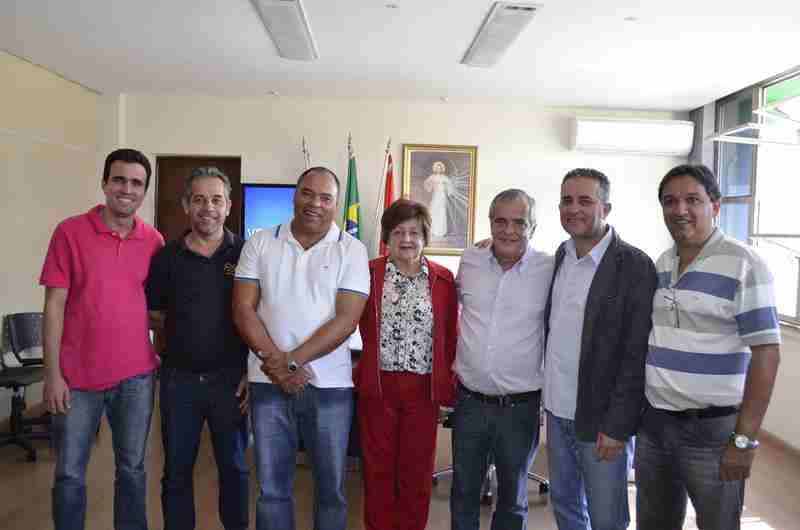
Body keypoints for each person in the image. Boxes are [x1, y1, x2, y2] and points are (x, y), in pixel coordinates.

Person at [637, 164, 781, 530]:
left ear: (715, 206)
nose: (680, 209)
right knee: (654, 523)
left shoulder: (745, 264)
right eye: (670, 201)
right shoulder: (663, 263)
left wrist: (744, 440)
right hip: (655, 425)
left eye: (692, 200)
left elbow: (767, 353)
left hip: (712, 432)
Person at [232, 166, 370, 530]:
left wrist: (290, 363)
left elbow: (347, 320)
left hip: (330, 389)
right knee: (272, 489)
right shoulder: (260, 242)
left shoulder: (353, 250)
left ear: (336, 204)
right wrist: (277, 367)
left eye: (325, 198)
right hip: (267, 385)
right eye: (307, 193)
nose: (315, 203)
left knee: (331, 490)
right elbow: (243, 309)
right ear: (295, 195)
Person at [40, 148, 165, 530]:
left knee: (132, 469)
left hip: (136, 378)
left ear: (144, 190)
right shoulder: (69, 232)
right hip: (76, 380)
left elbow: (157, 308)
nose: (127, 189)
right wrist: (52, 375)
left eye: (136, 183)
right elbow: (54, 306)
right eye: (119, 180)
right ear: (105, 183)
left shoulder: (153, 241)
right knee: (69, 473)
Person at [544, 168, 657, 530]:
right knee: (566, 506)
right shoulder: (561, 256)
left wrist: (618, 426)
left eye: (585, 201)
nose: (573, 209)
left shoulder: (634, 266)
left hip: (602, 421)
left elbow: (637, 356)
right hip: (558, 411)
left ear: (605, 208)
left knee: (607, 517)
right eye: (566, 200)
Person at [145, 167, 249, 530]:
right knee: (176, 471)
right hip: (179, 382)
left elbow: (260, 315)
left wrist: (252, 370)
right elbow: (154, 314)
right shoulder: (166, 257)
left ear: (228, 205)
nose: (209, 208)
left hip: (231, 382)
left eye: (217, 200)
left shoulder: (246, 253)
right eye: (200, 199)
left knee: (235, 469)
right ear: (186, 204)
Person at [451, 189, 553, 530]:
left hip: (520, 408)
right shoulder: (470, 260)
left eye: (519, 223)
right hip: (470, 403)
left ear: (533, 226)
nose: (509, 230)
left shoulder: (550, 268)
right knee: (464, 492)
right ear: (490, 223)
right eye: (500, 221)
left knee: (512, 498)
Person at [355, 199, 458, 530]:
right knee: (378, 468)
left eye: (414, 232)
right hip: (379, 385)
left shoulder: (443, 279)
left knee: (416, 470)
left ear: (425, 236)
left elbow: (450, 337)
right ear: (386, 236)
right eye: (398, 232)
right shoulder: (368, 273)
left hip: (423, 389)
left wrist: (448, 389)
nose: (407, 239)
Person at [424, 161, 451, 239]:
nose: (438, 169)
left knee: (441, 212)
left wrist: (447, 189)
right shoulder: (432, 177)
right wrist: (431, 186)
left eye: (440, 168)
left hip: (442, 196)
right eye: (437, 168)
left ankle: (441, 231)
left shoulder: (444, 177)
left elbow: (449, 185)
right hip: (436, 195)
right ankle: (433, 231)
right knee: (434, 211)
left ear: (441, 169)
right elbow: (427, 184)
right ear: (435, 169)